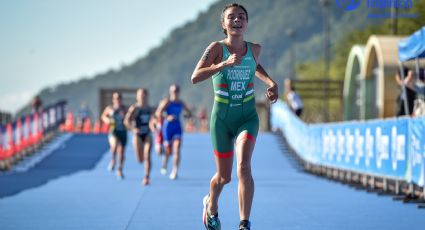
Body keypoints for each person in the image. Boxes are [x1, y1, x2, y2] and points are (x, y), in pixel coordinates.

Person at [191, 3, 278, 230]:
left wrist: (271, 82)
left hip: (247, 117)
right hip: (221, 120)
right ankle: (211, 206)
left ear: (247, 23)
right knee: (224, 177)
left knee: (244, 167)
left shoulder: (254, 49)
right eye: (231, 17)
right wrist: (222, 64)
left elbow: (254, 65)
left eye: (241, 17)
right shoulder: (217, 48)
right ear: (224, 24)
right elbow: (195, 76)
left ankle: (244, 223)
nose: (237, 20)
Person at [155, 84, 192, 180]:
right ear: (170, 92)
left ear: (179, 92)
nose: (174, 93)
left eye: (176, 91)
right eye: (173, 91)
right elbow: (158, 113)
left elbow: (189, 113)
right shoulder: (167, 102)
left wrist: (187, 115)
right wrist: (167, 117)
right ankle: (165, 163)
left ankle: (175, 171)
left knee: (177, 148)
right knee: (168, 151)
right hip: (167, 128)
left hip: (177, 128)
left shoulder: (180, 103)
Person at [124, 89, 155, 185]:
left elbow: (155, 118)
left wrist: (154, 125)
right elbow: (126, 121)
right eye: (140, 95)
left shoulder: (149, 108)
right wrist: (133, 129)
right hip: (137, 135)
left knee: (147, 155)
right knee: (140, 159)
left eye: (144, 95)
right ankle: (145, 171)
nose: (142, 97)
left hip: (147, 133)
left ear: (146, 96)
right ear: (137, 97)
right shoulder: (134, 108)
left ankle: (146, 177)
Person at [101, 92, 128, 180]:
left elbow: (130, 117)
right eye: (116, 98)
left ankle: (120, 169)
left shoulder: (125, 109)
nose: (118, 100)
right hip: (113, 130)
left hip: (123, 131)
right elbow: (103, 116)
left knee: (122, 152)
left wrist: (127, 120)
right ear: (113, 100)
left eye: (119, 98)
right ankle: (113, 160)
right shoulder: (110, 108)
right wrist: (107, 120)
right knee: (114, 145)